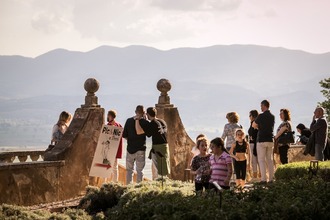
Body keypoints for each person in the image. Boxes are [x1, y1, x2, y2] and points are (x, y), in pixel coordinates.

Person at [136, 107, 171, 179]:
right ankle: (164, 181)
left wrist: (141, 120)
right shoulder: (162, 121)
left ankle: (160, 182)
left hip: (158, 147)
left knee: (158, 167)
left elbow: (148, 134)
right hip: (165, 146)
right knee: (164, 165)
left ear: (148, 114)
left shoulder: (153, 123)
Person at [122, 105, 148, 184]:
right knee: (140, 171)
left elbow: (124, 135)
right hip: (141, 149)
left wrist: (130, 140)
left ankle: (128, 187)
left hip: (130, 149)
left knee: (129, 170)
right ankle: (139, 188)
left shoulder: (129, 121)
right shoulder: (145, 122)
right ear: (144, 113)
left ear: (135, 111)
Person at [252, 100, 275, 183]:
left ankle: (263, 179)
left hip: (261, 139)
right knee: (270, 160)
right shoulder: (272, 116)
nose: (260, 107)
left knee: (261, 160)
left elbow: (253, 125)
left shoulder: (260, 116)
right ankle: (271, 179)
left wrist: (259, 127)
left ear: (264, 106)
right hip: (270, 139)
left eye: (261, 106)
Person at [106, 109, 123, 183]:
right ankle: (115, 183)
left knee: (106, 168)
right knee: (115, 168)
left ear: (110, 116)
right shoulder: (119, 125)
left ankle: (105, 183)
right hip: (115, 150)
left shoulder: (108, 126)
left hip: (108, 150)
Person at [248, 110, 259, 180]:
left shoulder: (254, 123)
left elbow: (252, 133)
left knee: (254, 160)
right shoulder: (256, 123)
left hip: (253, 143)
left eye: (250, 115)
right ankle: (259, 175)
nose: (249, 117)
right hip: (256, 142)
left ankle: (255, 176)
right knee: (258, 160)